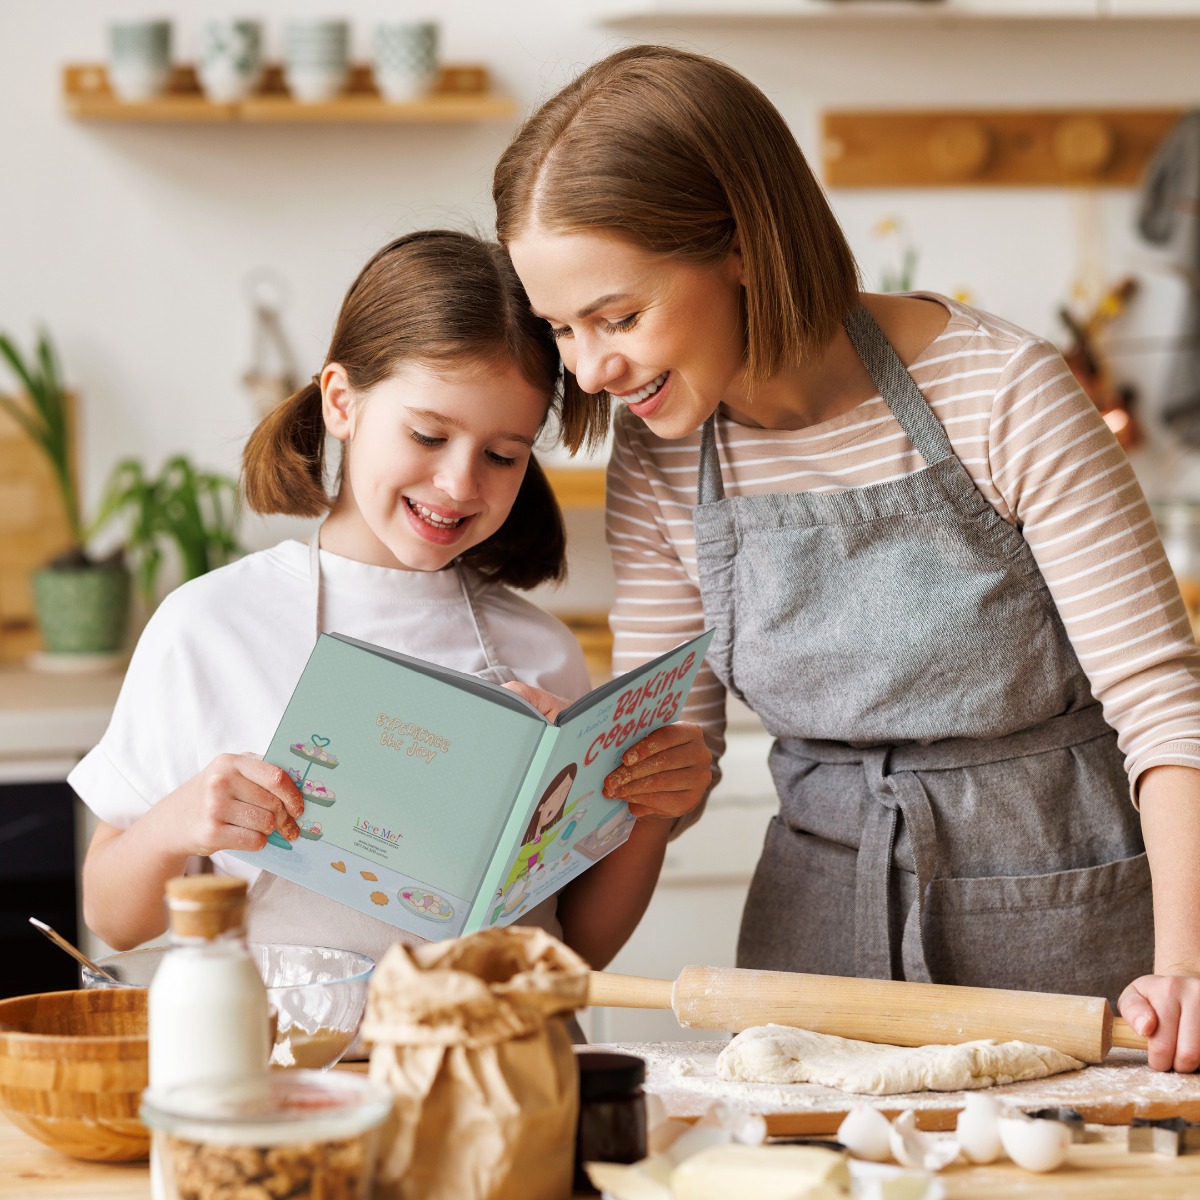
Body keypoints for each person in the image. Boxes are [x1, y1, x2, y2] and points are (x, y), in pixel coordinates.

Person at [494, 44, 1200, 1072]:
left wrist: (1184, 966)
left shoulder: (1001, 393)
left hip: (1066, 938)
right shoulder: (660, 448)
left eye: (620, 316)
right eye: (562, 330)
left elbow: (1164, 708)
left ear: (740, 244)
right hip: (813, 955)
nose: (592, 371)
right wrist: (572, 769)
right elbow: (673, 770)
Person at [71, 229, 697, 971]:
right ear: (341, 401)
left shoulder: (541, 650)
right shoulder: (209, 627)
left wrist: (652, 807)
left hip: (500, 1068)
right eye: (428, 435)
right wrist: (177, 825)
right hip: (296, 1070)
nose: (461, 484)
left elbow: (577, 947)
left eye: (503, 456)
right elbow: (113, 918)